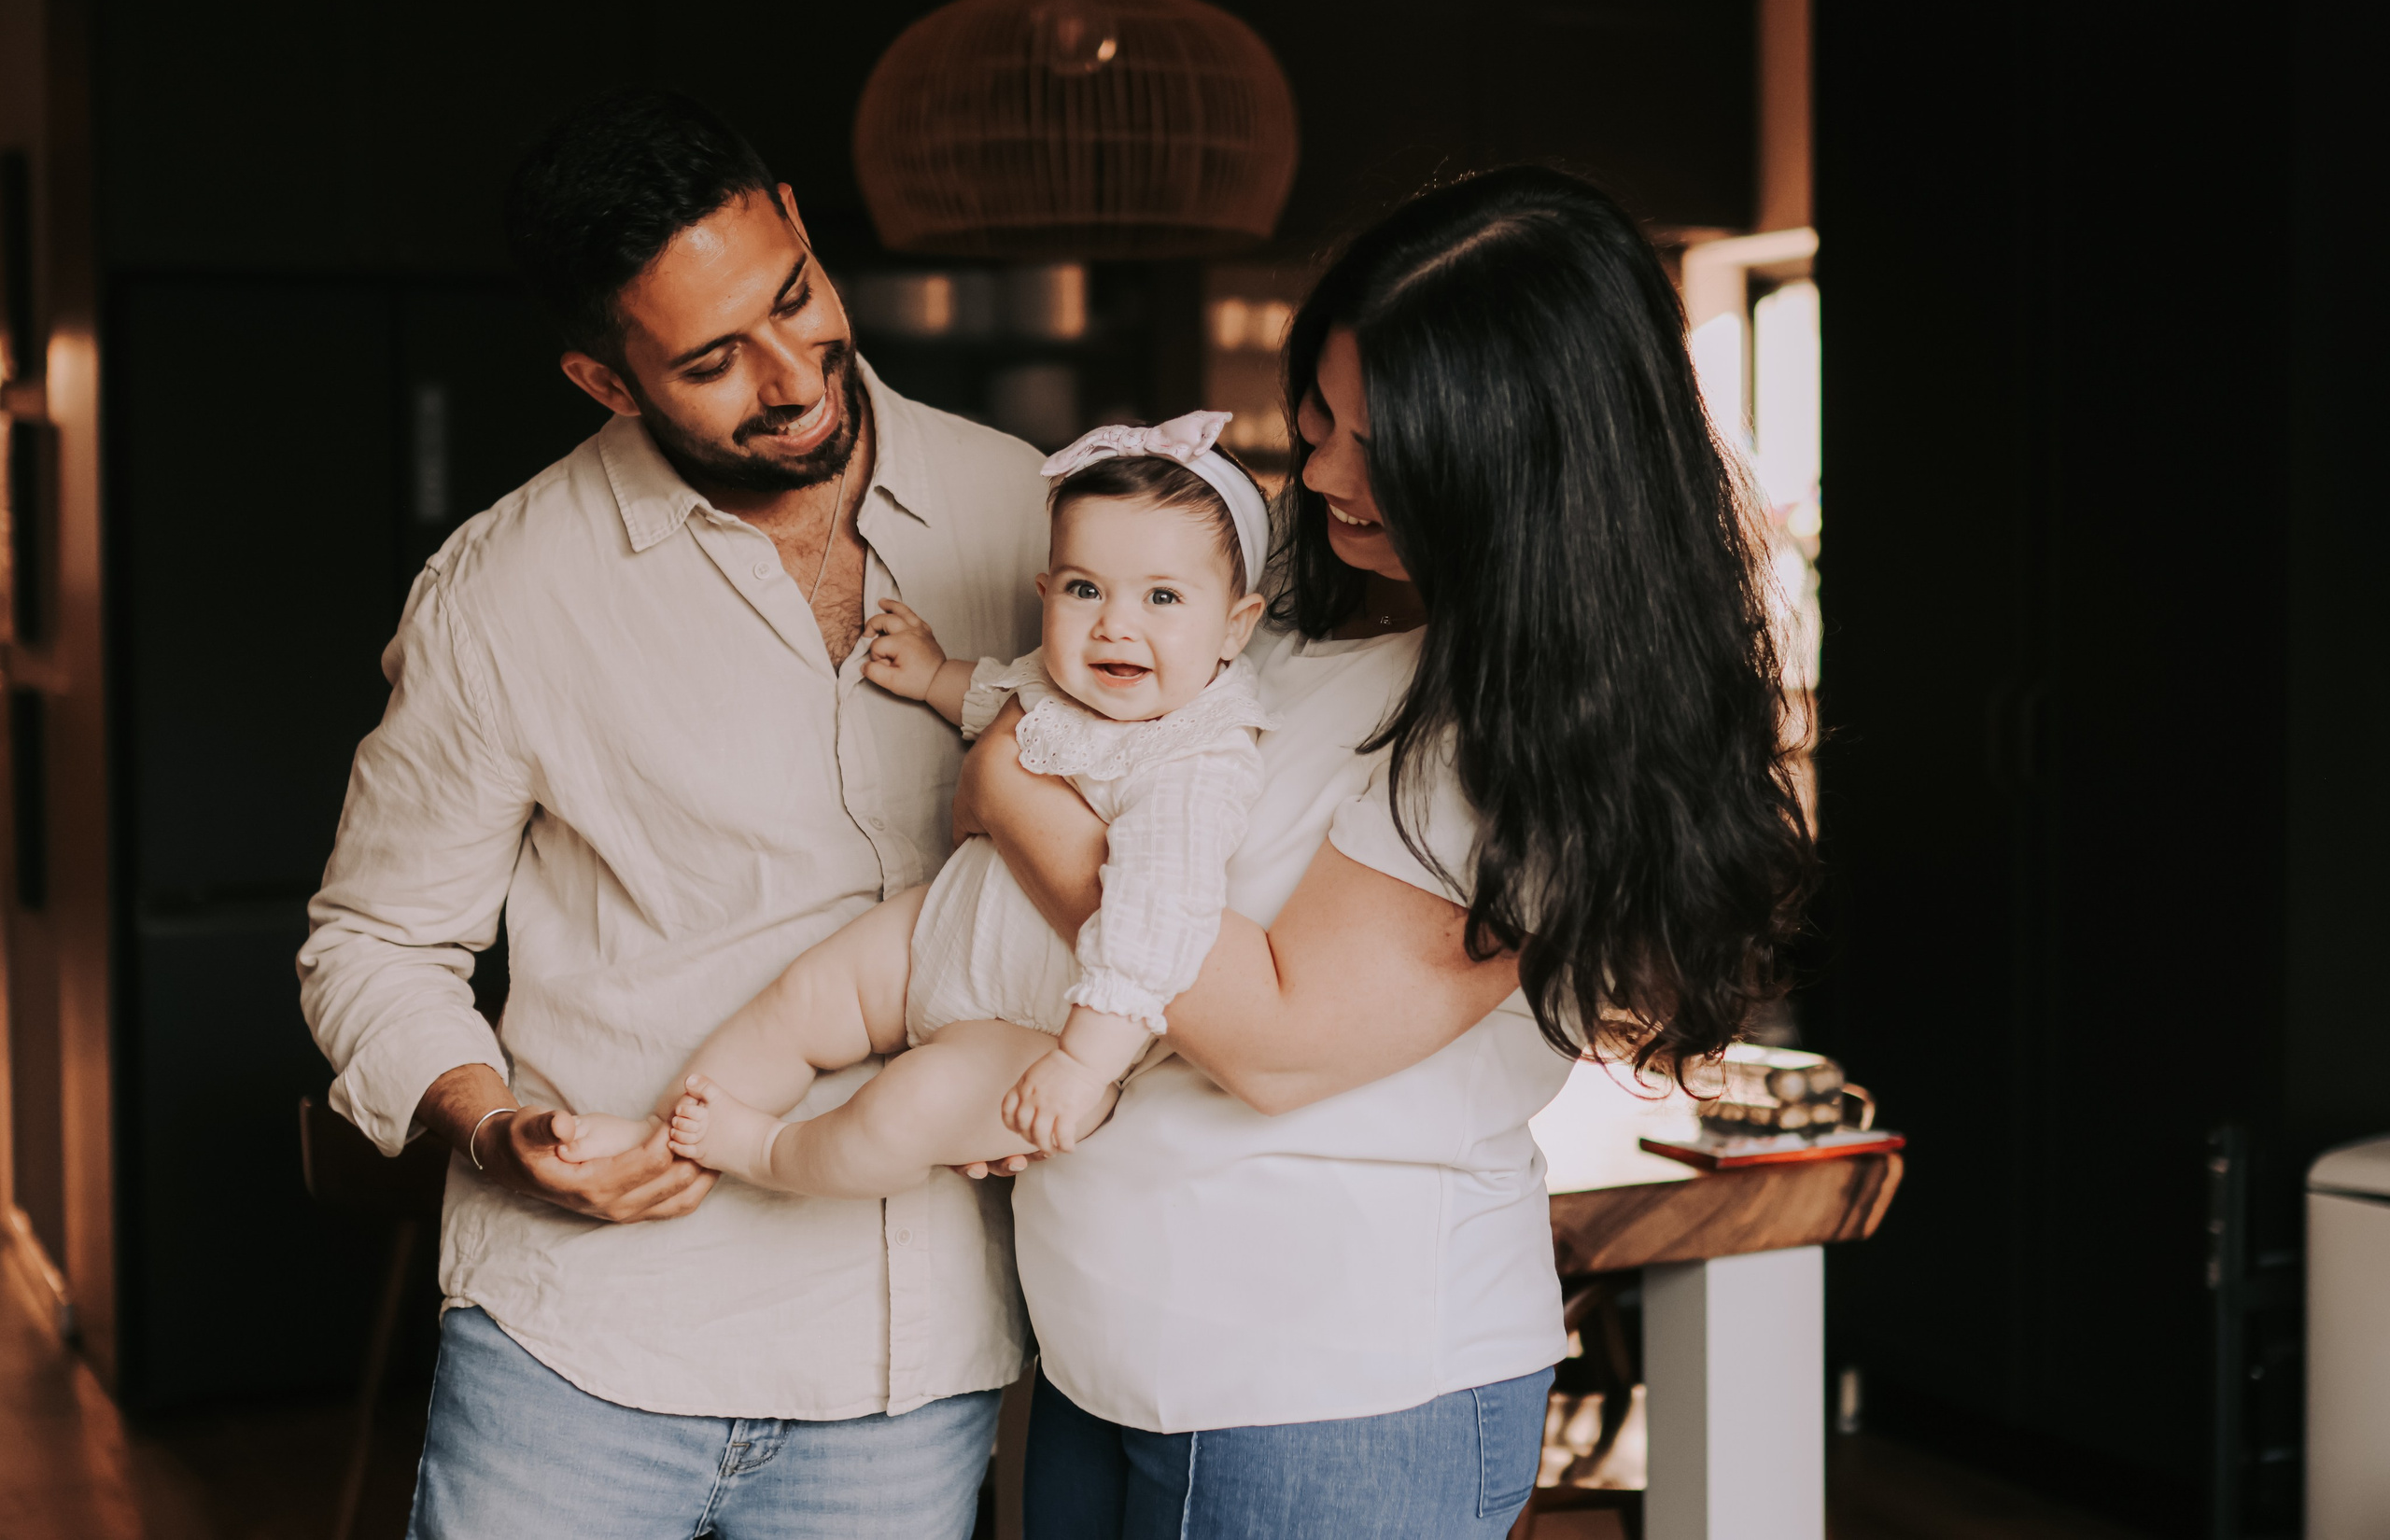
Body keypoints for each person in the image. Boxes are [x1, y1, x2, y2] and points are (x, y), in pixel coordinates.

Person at [955, 167, 1818, 1537]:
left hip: (1326, 1386)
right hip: (1101, 1341)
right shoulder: (1292, 601)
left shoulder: (1539, 729)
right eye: (1320, 418)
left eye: (1382, 444)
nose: (1320, 472)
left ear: (1515, 463)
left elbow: (1275, 1037)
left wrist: (1018, 795)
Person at [297, 90, 1051, 1538]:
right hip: (581, 1349)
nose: (793, 376)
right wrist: (492, 1127)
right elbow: (374, 942)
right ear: (607, 379)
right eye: (712, 361)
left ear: (803, 228)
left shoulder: (1029, 512)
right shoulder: (505, 590)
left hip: (909, 1366)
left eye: (795, 297)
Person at [558, 411, 1274, 1187]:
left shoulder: (1198, 759)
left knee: (907, 1106)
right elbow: (1006, 692)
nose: (1115, 625)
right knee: (804, 994)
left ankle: (769, 1152)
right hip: (943, 932)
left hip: (1041, 1028)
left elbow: (1158, 920)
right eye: (1084, 589)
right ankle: (657, 1135)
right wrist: (936, 677)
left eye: (1162, 597)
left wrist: (1081, 1061)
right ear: (1046, 592)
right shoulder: (1066, 679)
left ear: (1234, 627)